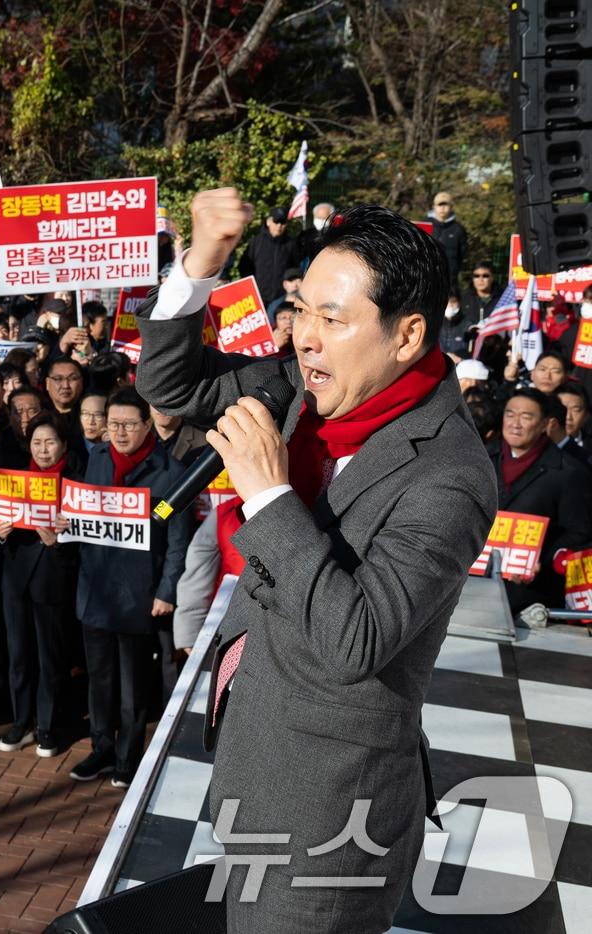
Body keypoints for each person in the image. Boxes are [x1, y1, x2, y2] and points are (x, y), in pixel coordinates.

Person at [134, 188, 497, 932]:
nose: (304, 337)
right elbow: (169, 385)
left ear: (407, 336)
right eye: (302, 310)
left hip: (332, 809)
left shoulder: (451, 476)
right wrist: (200, 263)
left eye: (333, 320)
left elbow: (356, 638)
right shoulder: (303, 389)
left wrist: (268, 496)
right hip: (256, 757)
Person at [67, 391, 189, 786]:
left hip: (139, 593)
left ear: (148, 425)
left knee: (132, 685)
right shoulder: (97, 461)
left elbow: (177, 540)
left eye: (128, 424)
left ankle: (127, 756)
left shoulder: (170, 474)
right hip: (96, 590)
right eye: (112, 424)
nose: (118, 432)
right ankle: (101, 748)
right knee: (98, 679)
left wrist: (167, 590)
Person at [0, 415, 80, 758]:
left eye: (51, 442)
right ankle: (20, 720)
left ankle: (47, 725)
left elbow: (84, 542)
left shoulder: (75, 484)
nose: (43, 450)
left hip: (53, 582)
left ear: (64, 446)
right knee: (18, 655)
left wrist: (60, 540)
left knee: (49, 657)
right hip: (15, 580)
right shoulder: (14, 480)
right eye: (37, 443)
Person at [491, 389, 592, 612]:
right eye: (510, 414)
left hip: (531, 595)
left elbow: (579, 532)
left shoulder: (569, 472)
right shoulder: (483, 458)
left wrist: (543, 560)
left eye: (526, 417)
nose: (515, 424)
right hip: (474, 580)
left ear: (545, 424)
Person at [238, 207, 300, 306]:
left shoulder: (290, 244)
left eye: (283, 223)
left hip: (281, 297)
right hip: (257, 295)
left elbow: (294, 268)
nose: (279, 226)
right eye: (276, 221)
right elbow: (244, 266)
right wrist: (250, 289)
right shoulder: (256, 242)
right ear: (268, 222)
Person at [428, 191, 468, 283]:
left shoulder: (458, 229)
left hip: (449, 280)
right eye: (439, 205)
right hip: (426, 278)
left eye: (446, 205)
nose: (442, 208)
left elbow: (462, 254)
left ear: (451, 207)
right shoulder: (424, 225)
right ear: (434, 206)